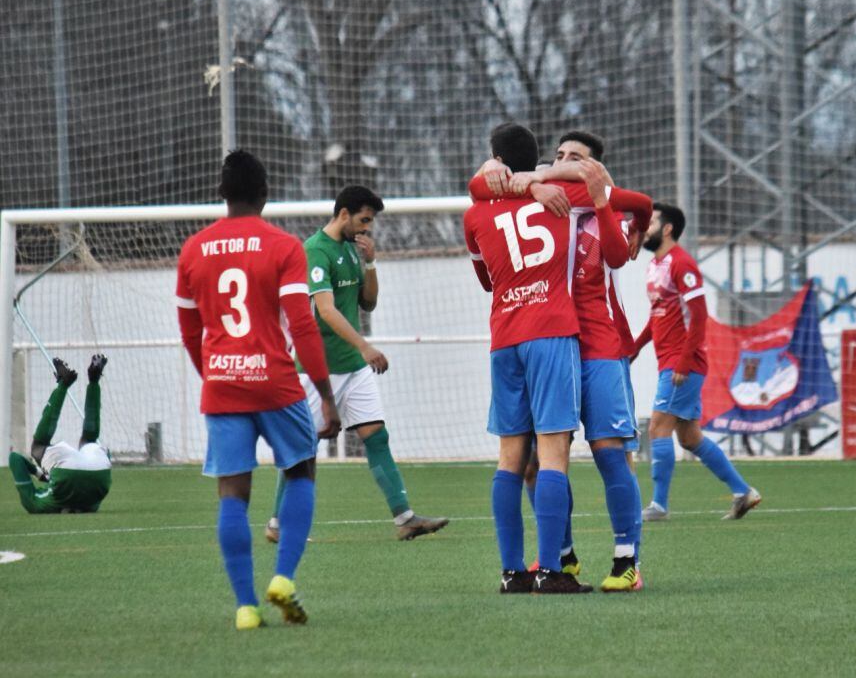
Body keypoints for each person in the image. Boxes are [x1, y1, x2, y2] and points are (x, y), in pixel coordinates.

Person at [470, 130, 652, 591]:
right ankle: (562, 557)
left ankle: (626, 561)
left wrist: (632, 224)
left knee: (610, 453)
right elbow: (479, 188)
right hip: (552, 340)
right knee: (537, 461)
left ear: (594, 167)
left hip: (600, 346)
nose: (564, 162)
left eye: (577, 158)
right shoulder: (550, 196)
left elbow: (640, 207)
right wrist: (527, 180)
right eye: (559, 155)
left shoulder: (585, 198)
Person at [176, 150, 341, 630]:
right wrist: (326, 395)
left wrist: (214, 375)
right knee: (301, 469)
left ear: (221, 193)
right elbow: (303, 326)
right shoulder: (283, 246)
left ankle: (245, 607)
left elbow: (190, 333)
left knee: (234, 493)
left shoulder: (193, 249)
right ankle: (284, 578)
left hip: (223, 385)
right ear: (266, 196)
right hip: (275, 382)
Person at [265, 186, 448, 543]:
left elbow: (369, 304)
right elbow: (327, 310)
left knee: (376, 436)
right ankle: (277, 524)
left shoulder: (352, 249)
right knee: (303, 447)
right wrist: (365, 346)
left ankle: (405, 518)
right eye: (364, 220)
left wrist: (371, 262)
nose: (367, 228)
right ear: (343, 214)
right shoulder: (314, 251)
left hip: (353, 367)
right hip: (318, 369)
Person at [464, 122, 590, 594]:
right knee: (554, 451)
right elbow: (599, 181)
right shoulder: (557, 192)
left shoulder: (475, 213)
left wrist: (493, 179)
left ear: (494, 158)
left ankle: (513, 571)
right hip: (552, 330)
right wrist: (538, 181)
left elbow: (485, 282)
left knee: (510, 457)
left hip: (505, 335)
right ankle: (551, 571)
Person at [632, 203, 761, 521]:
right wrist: (634, 347)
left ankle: (659, 506)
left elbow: (700, 316)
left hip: (682, 363)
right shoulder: (655, 265)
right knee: (689, 437)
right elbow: (657, 315)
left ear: (667, 229)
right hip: (671, 361)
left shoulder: (682, 264)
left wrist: (684, 362)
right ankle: (744, 492)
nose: (645, 227)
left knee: (658, 428)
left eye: (651, 223)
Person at [8, 356, 111, 514]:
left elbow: (79, 490)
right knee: (38, 447)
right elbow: (14, 459)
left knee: (89, 440)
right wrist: (40, 474)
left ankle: (93, 380)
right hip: (94, 474)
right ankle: (65, 384)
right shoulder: (35, 505)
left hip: (99, 478)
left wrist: (44, 476)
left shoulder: (90, 506)